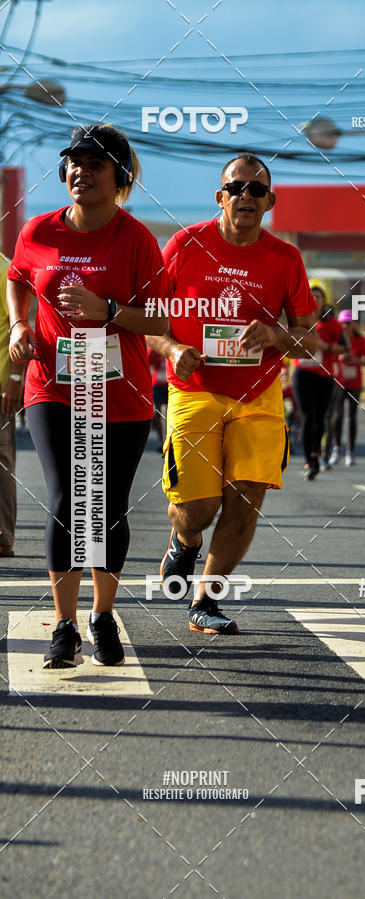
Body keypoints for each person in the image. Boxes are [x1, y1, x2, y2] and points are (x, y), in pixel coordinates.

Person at [8, 123, 168, 668]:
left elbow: (162, 317)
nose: (81, 171)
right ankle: (64, 625)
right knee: (65, 502)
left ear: (118, 178)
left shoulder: (137, 239)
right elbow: (20, 278)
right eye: (74, 162)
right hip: (52, 386)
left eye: (96, 164)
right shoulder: (38, 231)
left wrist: (109, 312)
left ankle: (102, 614)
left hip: (120, 393)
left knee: (106, 508)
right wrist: (17, 324)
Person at [147, 154, 317, 635]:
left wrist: (277, 336)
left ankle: (206, 600)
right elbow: (146, 322)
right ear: (220, 196)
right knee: (198, 509)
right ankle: (184, 539)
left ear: (270, 202)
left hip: (260, 394)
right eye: (235, 188)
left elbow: (311, 337)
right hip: (194, 390)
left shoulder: (286, 258)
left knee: (246, 498)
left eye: (256, 190)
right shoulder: (183, 244)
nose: (246, 196)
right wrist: (173, 346)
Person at [292, 283, 345, 479]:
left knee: (320, 419)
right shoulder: (298, 321)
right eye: (311, 297)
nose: (314, 300)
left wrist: (324, 346)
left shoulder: (332, 324)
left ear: (324, 302)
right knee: (306, 417)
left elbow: (344, 348)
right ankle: (309, 460)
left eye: (318, 297)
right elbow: (288, 343)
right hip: (302, 374)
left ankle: (316, 452)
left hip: (324, 376)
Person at [327, 309, 365, 466]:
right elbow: (328, 355)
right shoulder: (336, 339)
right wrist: (339, 356)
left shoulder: (360, 340)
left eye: (348, 322)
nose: (345, 326)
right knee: (338, 416)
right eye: (342, 323)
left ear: (354, 323)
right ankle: (336, 450)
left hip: (355, 383)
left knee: (351, 417)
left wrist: (355, 360)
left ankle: (350, 451)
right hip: (339, 382)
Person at [0, 253, 23, 557]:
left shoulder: (6, 269)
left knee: (2, 460)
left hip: (2, 384)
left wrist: (16, 377)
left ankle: (3, 535)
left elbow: (20, 326)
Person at [147, 346, 168, 451]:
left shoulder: (171, 346)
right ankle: (161, 441)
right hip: (158, 384)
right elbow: (146, 365)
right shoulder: (153, 350)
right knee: (158, 412)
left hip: (170, 385)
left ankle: (170, 440)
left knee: (170, 414)